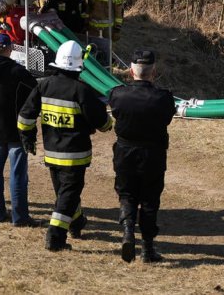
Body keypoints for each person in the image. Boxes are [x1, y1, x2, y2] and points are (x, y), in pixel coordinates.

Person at [18, 41, 112, 252]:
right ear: (78, 67)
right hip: (75, 155)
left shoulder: (43, 85)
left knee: (65, 193)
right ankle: (55, 236)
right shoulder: (81, 90)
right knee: (68, 194)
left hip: (52, 153)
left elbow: (25, 116)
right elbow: (101, 121)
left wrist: (28, 136)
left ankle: (77, 222)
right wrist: (108, 125)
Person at [108, 49, 177, 263]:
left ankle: (128, 232)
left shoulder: (117, 94)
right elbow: (167, 119)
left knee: (127, 194)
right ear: (153, 72)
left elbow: (116, 113)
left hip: (125, 152)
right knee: (149, 200)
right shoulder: (163, 98)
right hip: (153, 155)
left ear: (130, 71)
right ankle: (147, 249)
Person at [0, 33, 38, 226]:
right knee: (18, 175)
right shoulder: (17, 71)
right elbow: (35, 89)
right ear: (10, 48)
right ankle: (19, 217)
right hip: (15, 132)